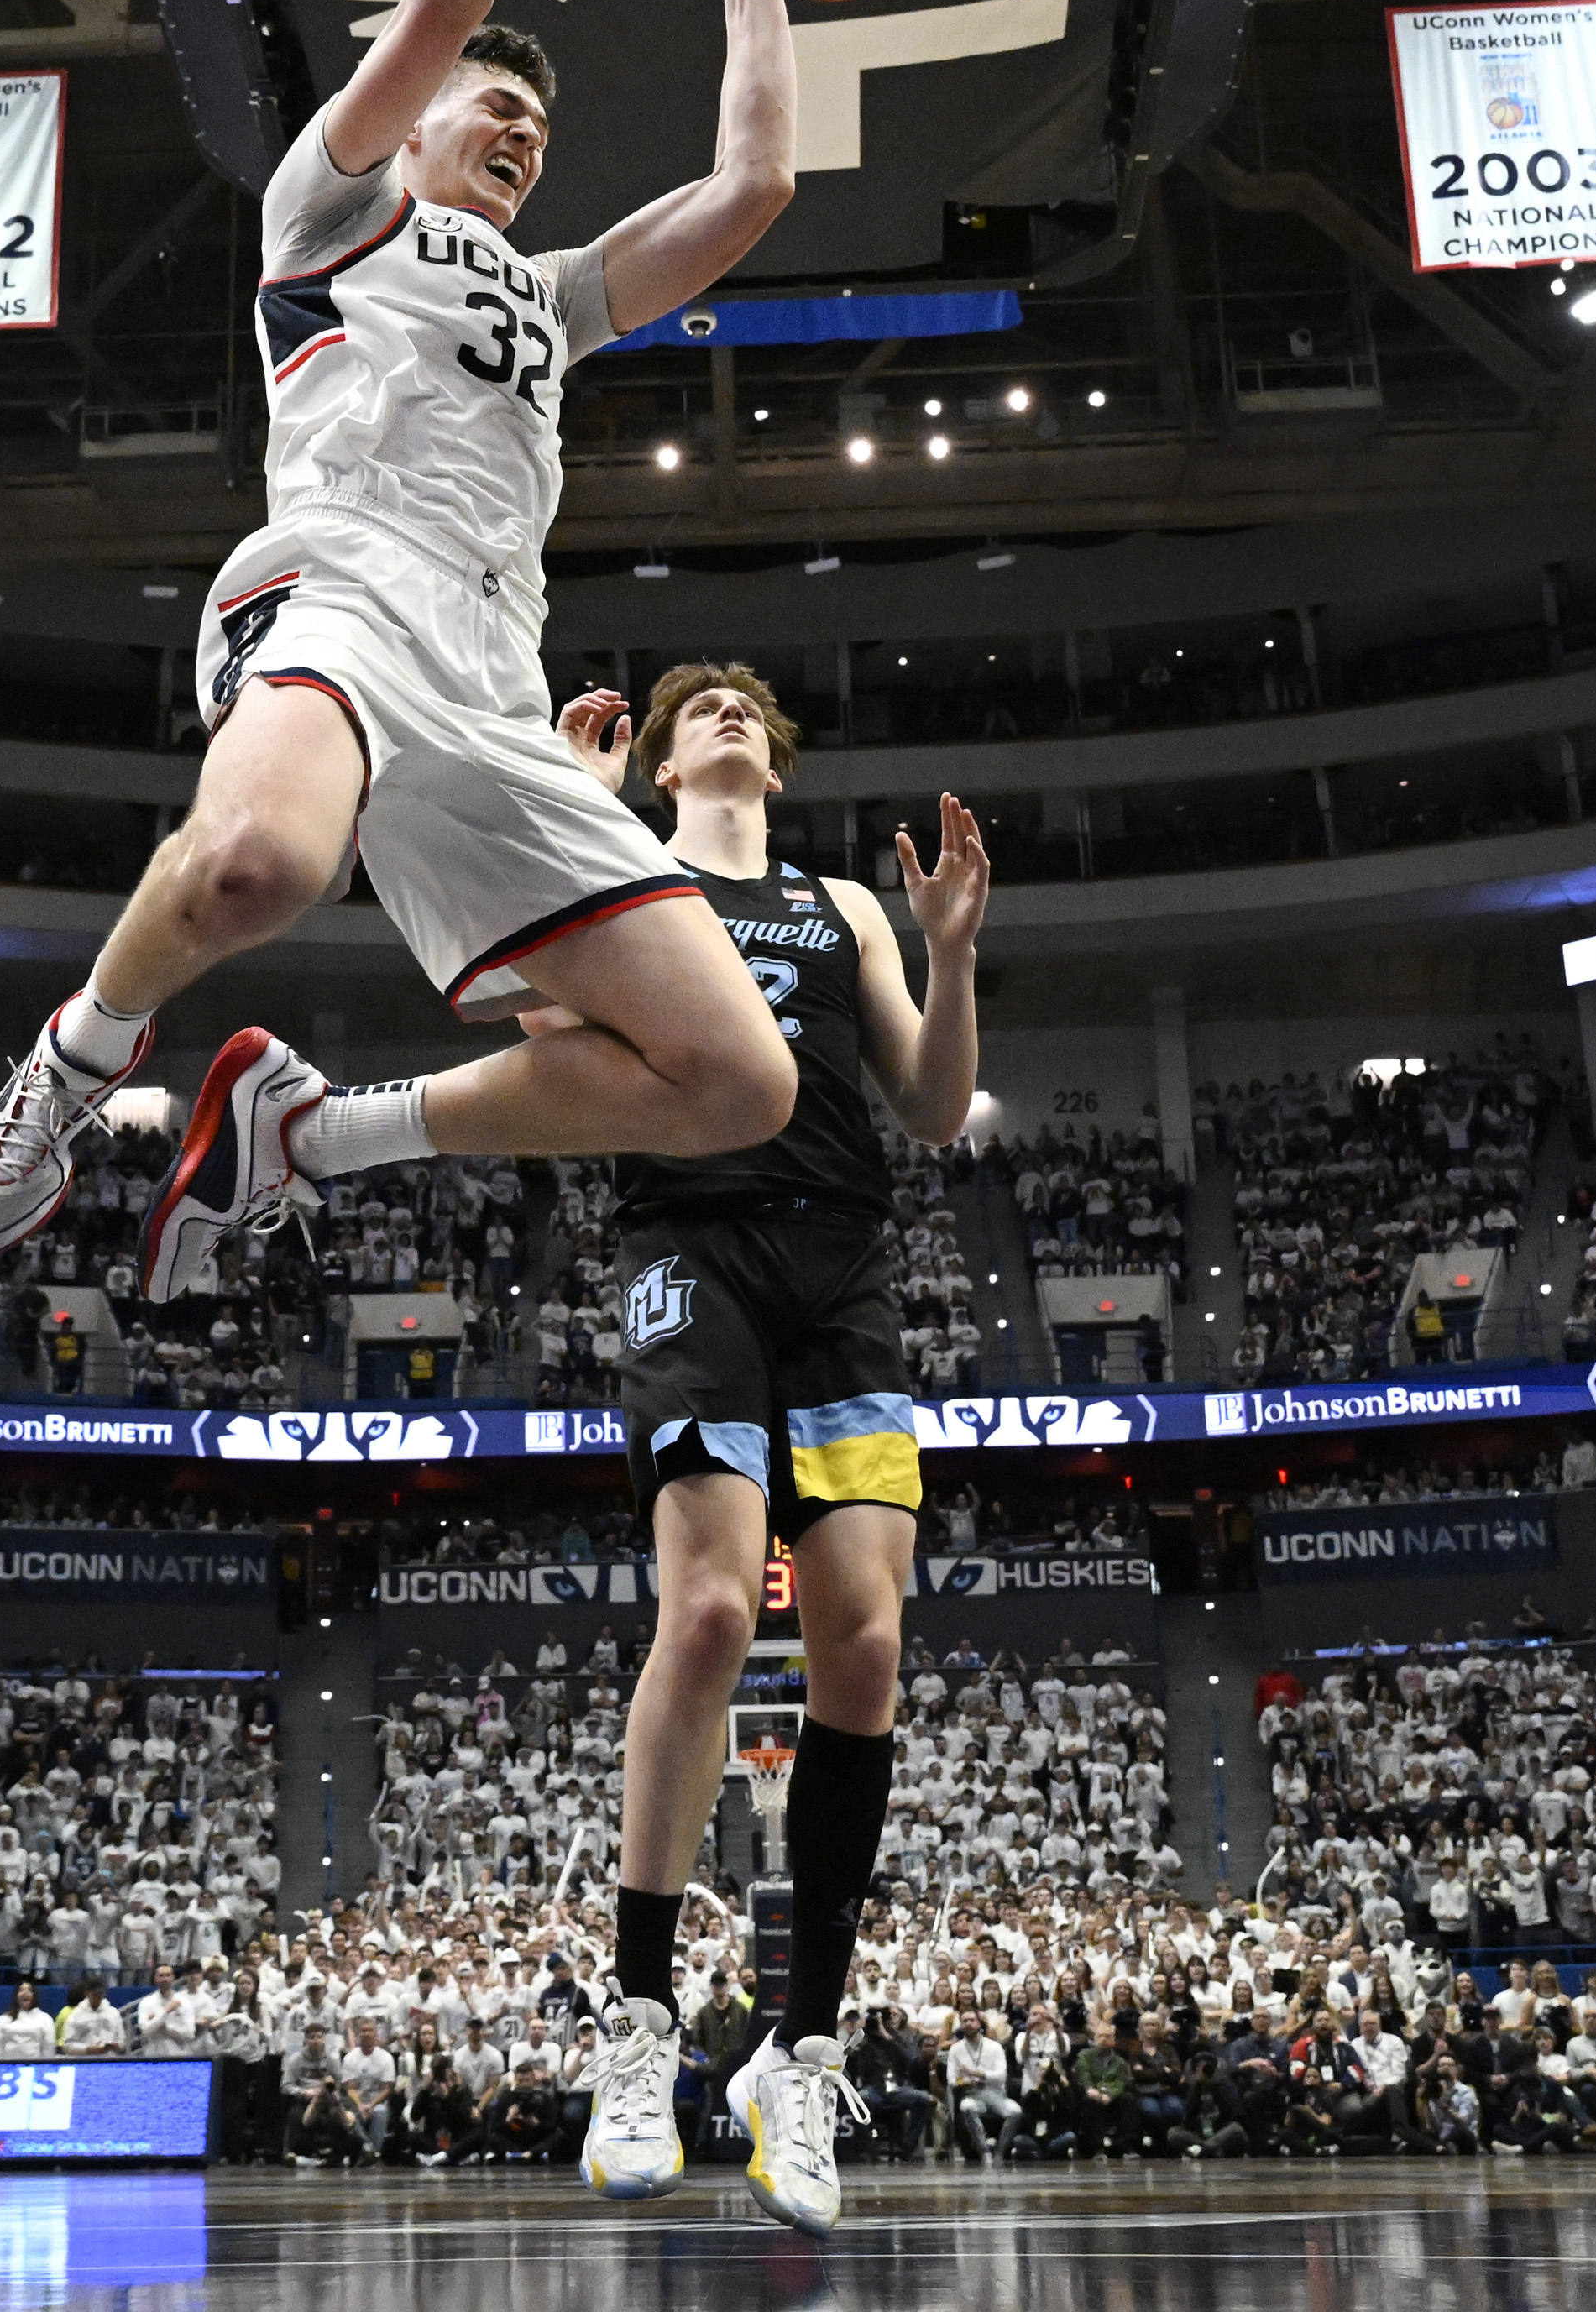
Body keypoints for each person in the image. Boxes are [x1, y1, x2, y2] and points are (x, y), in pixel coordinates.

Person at [0, 0, 806, 1297]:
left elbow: (755, 184)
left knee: (740, 1085)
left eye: (543, 126)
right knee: (254, 870)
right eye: (499, 103)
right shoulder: (331, 216)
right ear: (414, 128)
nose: (524, 133)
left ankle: (310, 1132)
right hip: (340, 576)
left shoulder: (550, 297)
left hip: (493, 672)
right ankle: (66, 1071)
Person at [560, 664, 987, 2236]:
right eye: (702, 704)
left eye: (750, 703)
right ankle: (641, 2018)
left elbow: (936, 1109)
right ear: (664, 759)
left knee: (866, 1648)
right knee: (720, 1613)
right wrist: (581, 832)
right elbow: (546, 1019)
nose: (729, 709)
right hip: (692, 1245)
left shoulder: (839, 907)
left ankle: (797, 2057)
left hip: (846, 1267)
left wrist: (949, 953)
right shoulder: (625, 868)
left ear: (776, 763)